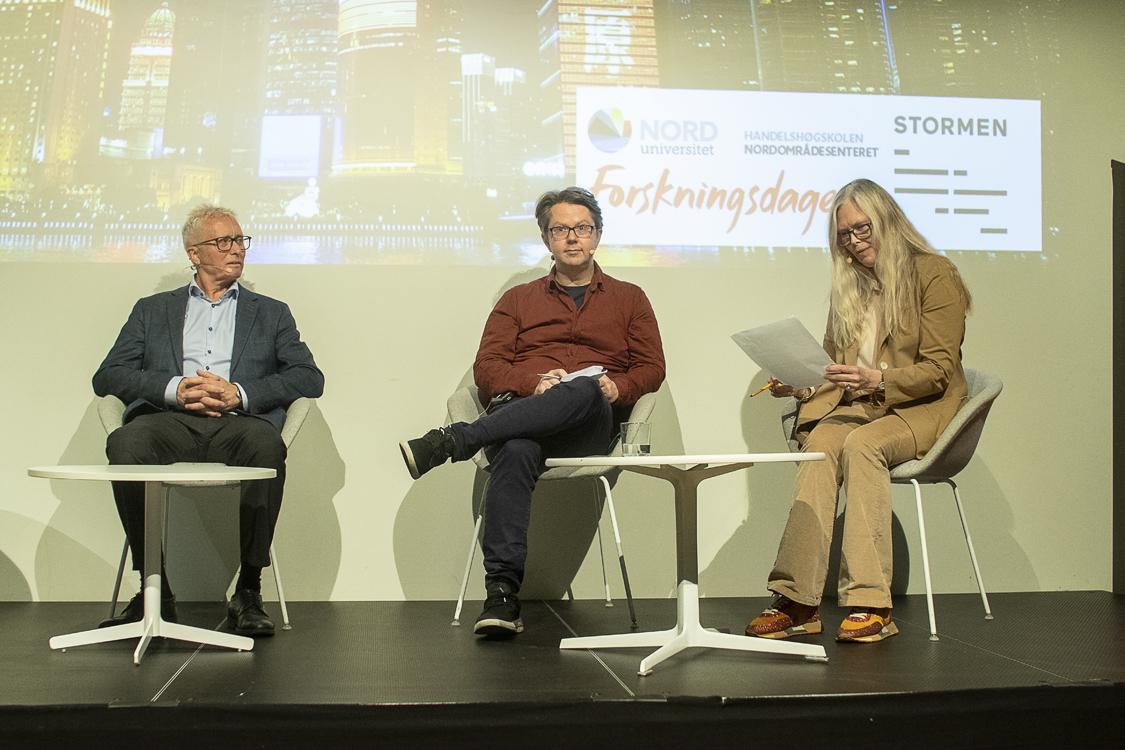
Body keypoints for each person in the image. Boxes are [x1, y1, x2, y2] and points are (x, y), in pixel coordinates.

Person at [399, 187, 665, 638]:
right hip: (524, 413)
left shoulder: (630, 298)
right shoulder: (518, 300)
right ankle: (501, 595)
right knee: (519, 448)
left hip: (590, 422)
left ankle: (456, 439)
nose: (572, 238)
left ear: (597, 234)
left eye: (582, 228)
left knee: (582, 389)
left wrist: (616, 386)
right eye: (560, 229)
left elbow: (652, 367)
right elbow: (487, 368)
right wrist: (533, 383)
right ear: (546, 239)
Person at [745, 178, 972, 644]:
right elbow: (834, 370)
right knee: (821, 446)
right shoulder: (850, 288)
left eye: (862, 229)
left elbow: (939, 370)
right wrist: (802, 386)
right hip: (863, 404)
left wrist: (880, 379)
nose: (854, 242)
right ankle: (799, 599)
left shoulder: (935, 273)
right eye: (844, 235)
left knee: (862, 445)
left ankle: (871, 600)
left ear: (888, 220)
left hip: (922, 406)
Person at [93, 204, 324, 637]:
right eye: (224, 242)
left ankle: (249, 590)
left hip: (238, 422)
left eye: (240, 241)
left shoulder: (271, 312)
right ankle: (152, 588)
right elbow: (108, 375)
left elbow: (309, 378)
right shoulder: (152, 309)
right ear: (194, 254)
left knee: (267, 447)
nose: (237, 250)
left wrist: (240, 393)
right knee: (125, 445)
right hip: (170, 420)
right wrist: (174, 387)